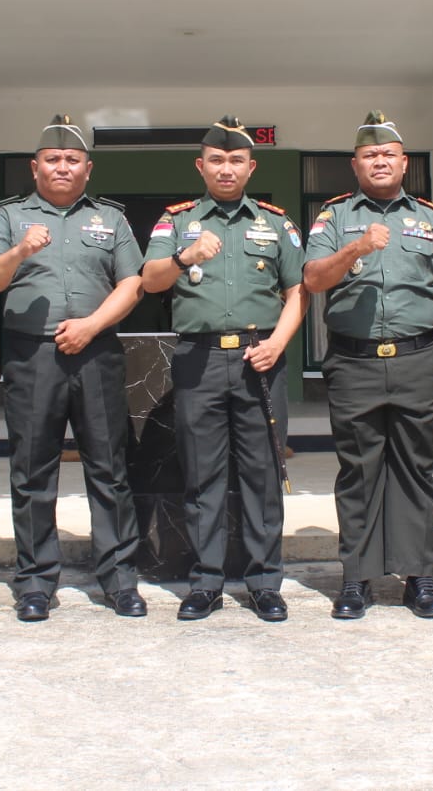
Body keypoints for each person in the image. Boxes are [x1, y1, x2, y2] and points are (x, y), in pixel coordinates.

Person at [0, 113, 146, 622]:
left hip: (96, 353)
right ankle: (34, 583)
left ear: (87, 169)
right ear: (35, 167)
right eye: (53, 159)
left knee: (109, 469)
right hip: (32, 358)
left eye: (73, 159)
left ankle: (119, 580)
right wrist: (20, 251)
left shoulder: (110, 219)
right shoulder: (8, 218)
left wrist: (91, 326)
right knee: (32, 472)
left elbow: (132, 284)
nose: (63, 167)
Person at [303, 111, 433, 620]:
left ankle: (420, 577)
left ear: (404, 163)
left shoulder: (430, 219)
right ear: (355, 165)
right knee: (359, 471)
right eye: (369, 155)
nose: (379, 162)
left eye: (388, 155)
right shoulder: (334, 217)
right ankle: (357, 578)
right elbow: (314, 279)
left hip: (419, 359)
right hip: (354, 363)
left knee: (416, 471)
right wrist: (357, 247)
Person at [140, 115, 306, 622]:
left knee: (262, 475)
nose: (226, 169)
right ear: (201, 166)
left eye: (236, 160)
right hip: (199, 360)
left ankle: (265, 582)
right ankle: (206, 582)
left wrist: (278, 343)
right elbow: (150, 280)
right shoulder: (177, 221)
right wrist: (185, 256)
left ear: (251, 167)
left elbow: (298, 290)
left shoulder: (275, 223)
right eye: (216, 160)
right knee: (203, 475)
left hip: (261, 358)